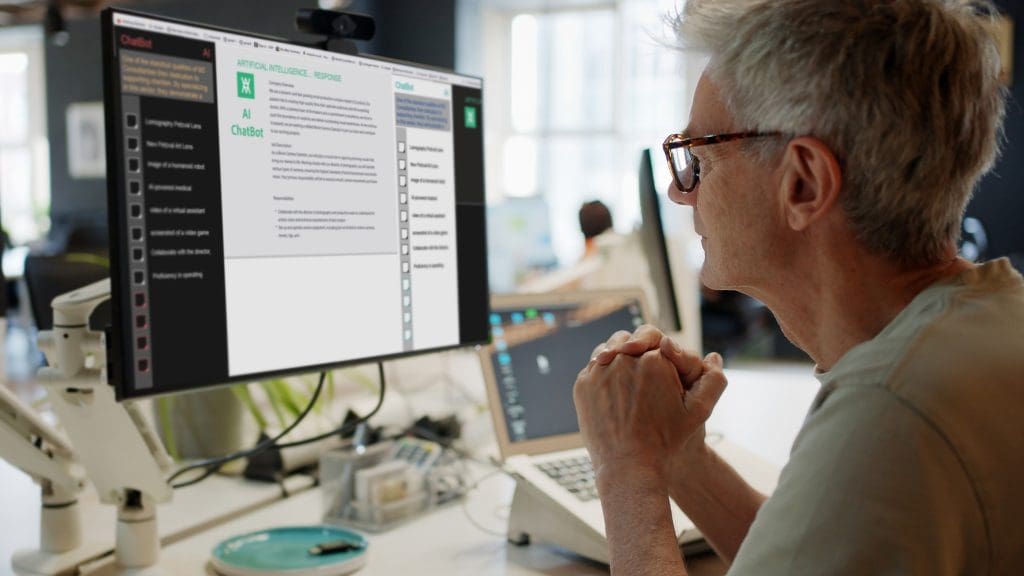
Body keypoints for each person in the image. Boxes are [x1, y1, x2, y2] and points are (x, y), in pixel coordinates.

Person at [572, 0, 1024, 574]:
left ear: (804, 184)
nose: (680, 194)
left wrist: (625, 469)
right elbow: (813, 551)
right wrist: (679, 457)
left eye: (698, 158)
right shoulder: (977, 333)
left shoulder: (890, 410)